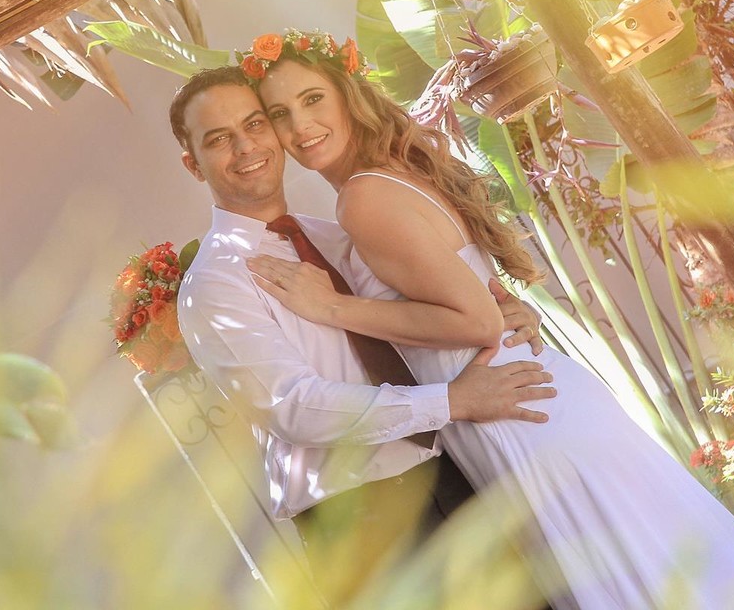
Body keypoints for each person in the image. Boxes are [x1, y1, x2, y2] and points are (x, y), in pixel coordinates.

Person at [242, 29, 734, 610]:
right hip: (532, 398)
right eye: (280, 113)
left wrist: (334, 308)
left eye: (312, 99)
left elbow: (475, 322)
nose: (299, 126)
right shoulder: (388, 179)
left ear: (348, 95)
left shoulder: (363, 198)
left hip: (516, 414)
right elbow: (478, 301)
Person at [170, 66, 558, 607]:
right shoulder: (214, 284)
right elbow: (292, 407)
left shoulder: (332, 236)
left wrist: (504, 306)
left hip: (449, 476)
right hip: (357, 521)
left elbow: (421, 314)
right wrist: (453, 401)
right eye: (218, 139)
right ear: (194, 164)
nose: (245, 147)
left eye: (255, 124)